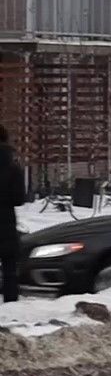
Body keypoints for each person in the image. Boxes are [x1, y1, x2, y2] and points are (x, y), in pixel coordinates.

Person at [0, 126, 27, 303]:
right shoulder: (13, 167)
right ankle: (11, 307)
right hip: (6, 224)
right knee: (10, 270)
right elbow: (19, 199)